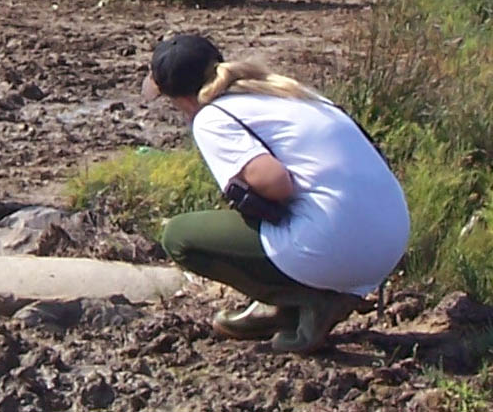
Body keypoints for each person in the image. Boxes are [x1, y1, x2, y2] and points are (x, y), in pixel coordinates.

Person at [141, 34, 409, 353]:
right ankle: (287, 308)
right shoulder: (282, 91)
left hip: (337, 245)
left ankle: (310, 301)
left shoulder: (212, 118)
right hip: (390, 241)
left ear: (178, 98)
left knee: (179, 236)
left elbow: (276, 182)